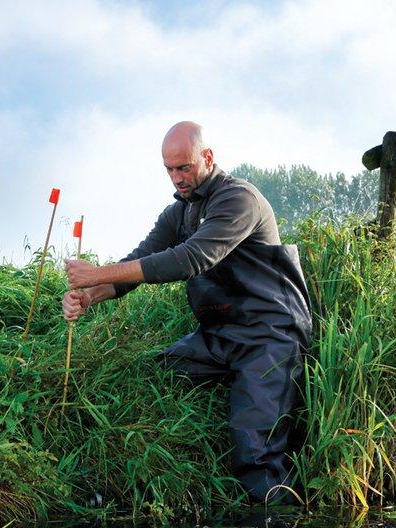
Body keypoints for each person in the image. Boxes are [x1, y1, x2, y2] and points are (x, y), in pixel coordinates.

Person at [62, 121, 312, 504]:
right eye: (169, 169)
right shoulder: (177, 214)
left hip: (270, 336)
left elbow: (191, 259)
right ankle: (133, 489)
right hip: (218, 336)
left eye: (184, 167)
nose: (176, 178)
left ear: (207, 158)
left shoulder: (238, 199)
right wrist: (90, 294)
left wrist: (96, 272)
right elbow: (140, 262)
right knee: (151, 376)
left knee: (254, 450)